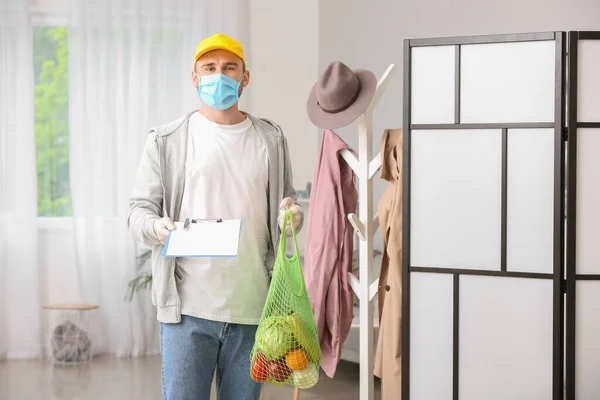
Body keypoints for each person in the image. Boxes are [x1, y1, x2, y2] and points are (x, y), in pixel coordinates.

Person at [127, 33, 304, 400]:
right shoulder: (166, 140)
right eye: (209, 68)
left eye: (229, 68)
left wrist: (294, 216)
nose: (218, 76)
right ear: (194, 77)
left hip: (255, 309)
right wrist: (157, 228)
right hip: (188, 309)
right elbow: (138, 214)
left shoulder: (271, 139)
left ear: (245, 77)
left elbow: (286, 206)